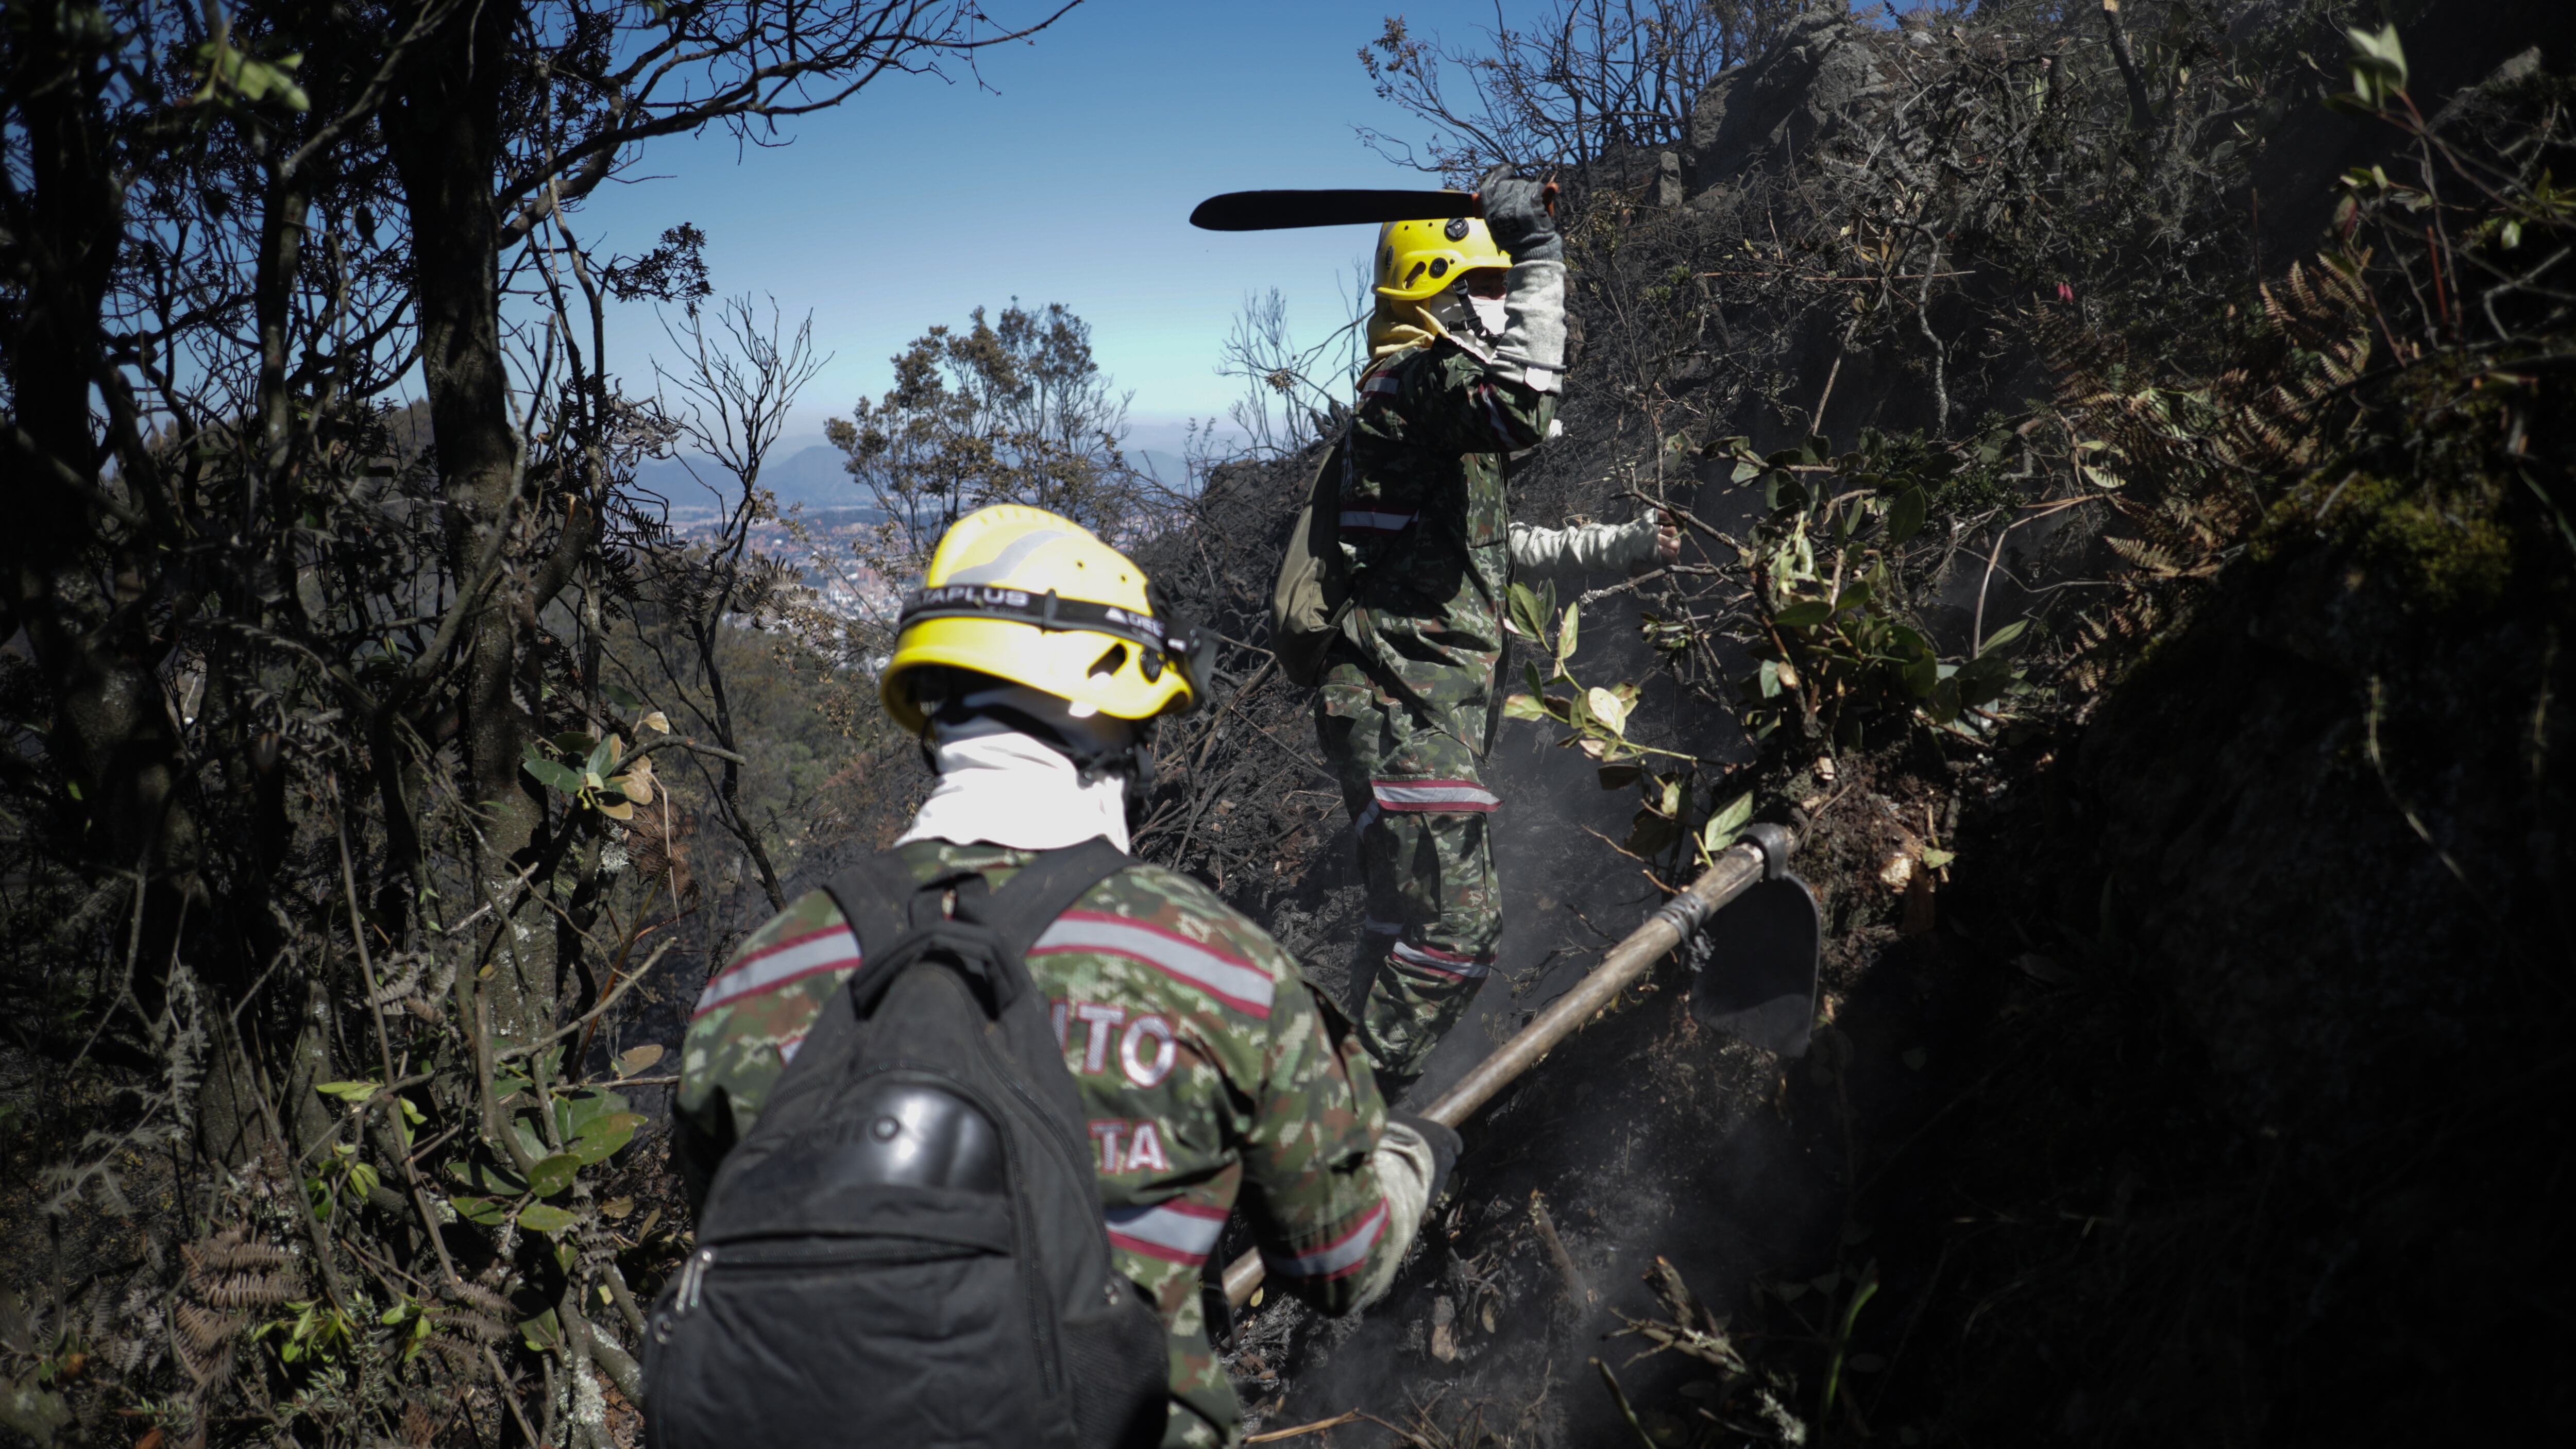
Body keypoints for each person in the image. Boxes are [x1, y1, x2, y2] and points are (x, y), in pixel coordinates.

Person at [673, 504, 1458, 1449]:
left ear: (933, 718)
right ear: (1116, 718)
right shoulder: (1210, 966)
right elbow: (1341, 1259)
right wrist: (1415, 1155)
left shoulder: (758, 979)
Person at [1316, 167, 1680, 1100]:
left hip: (1402, 713)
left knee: (1402, 929)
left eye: (1497, 287)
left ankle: (1343, 1105)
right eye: (1480, 288)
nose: (1495, 308)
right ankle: (1333, 1134)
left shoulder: (1421, 417)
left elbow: (1496, 547)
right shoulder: (1417, 384)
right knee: (1456, 931)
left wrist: (1624, 547)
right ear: (1431, 291)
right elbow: (1529, 404)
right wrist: (1541, 252)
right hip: (1404, 714)